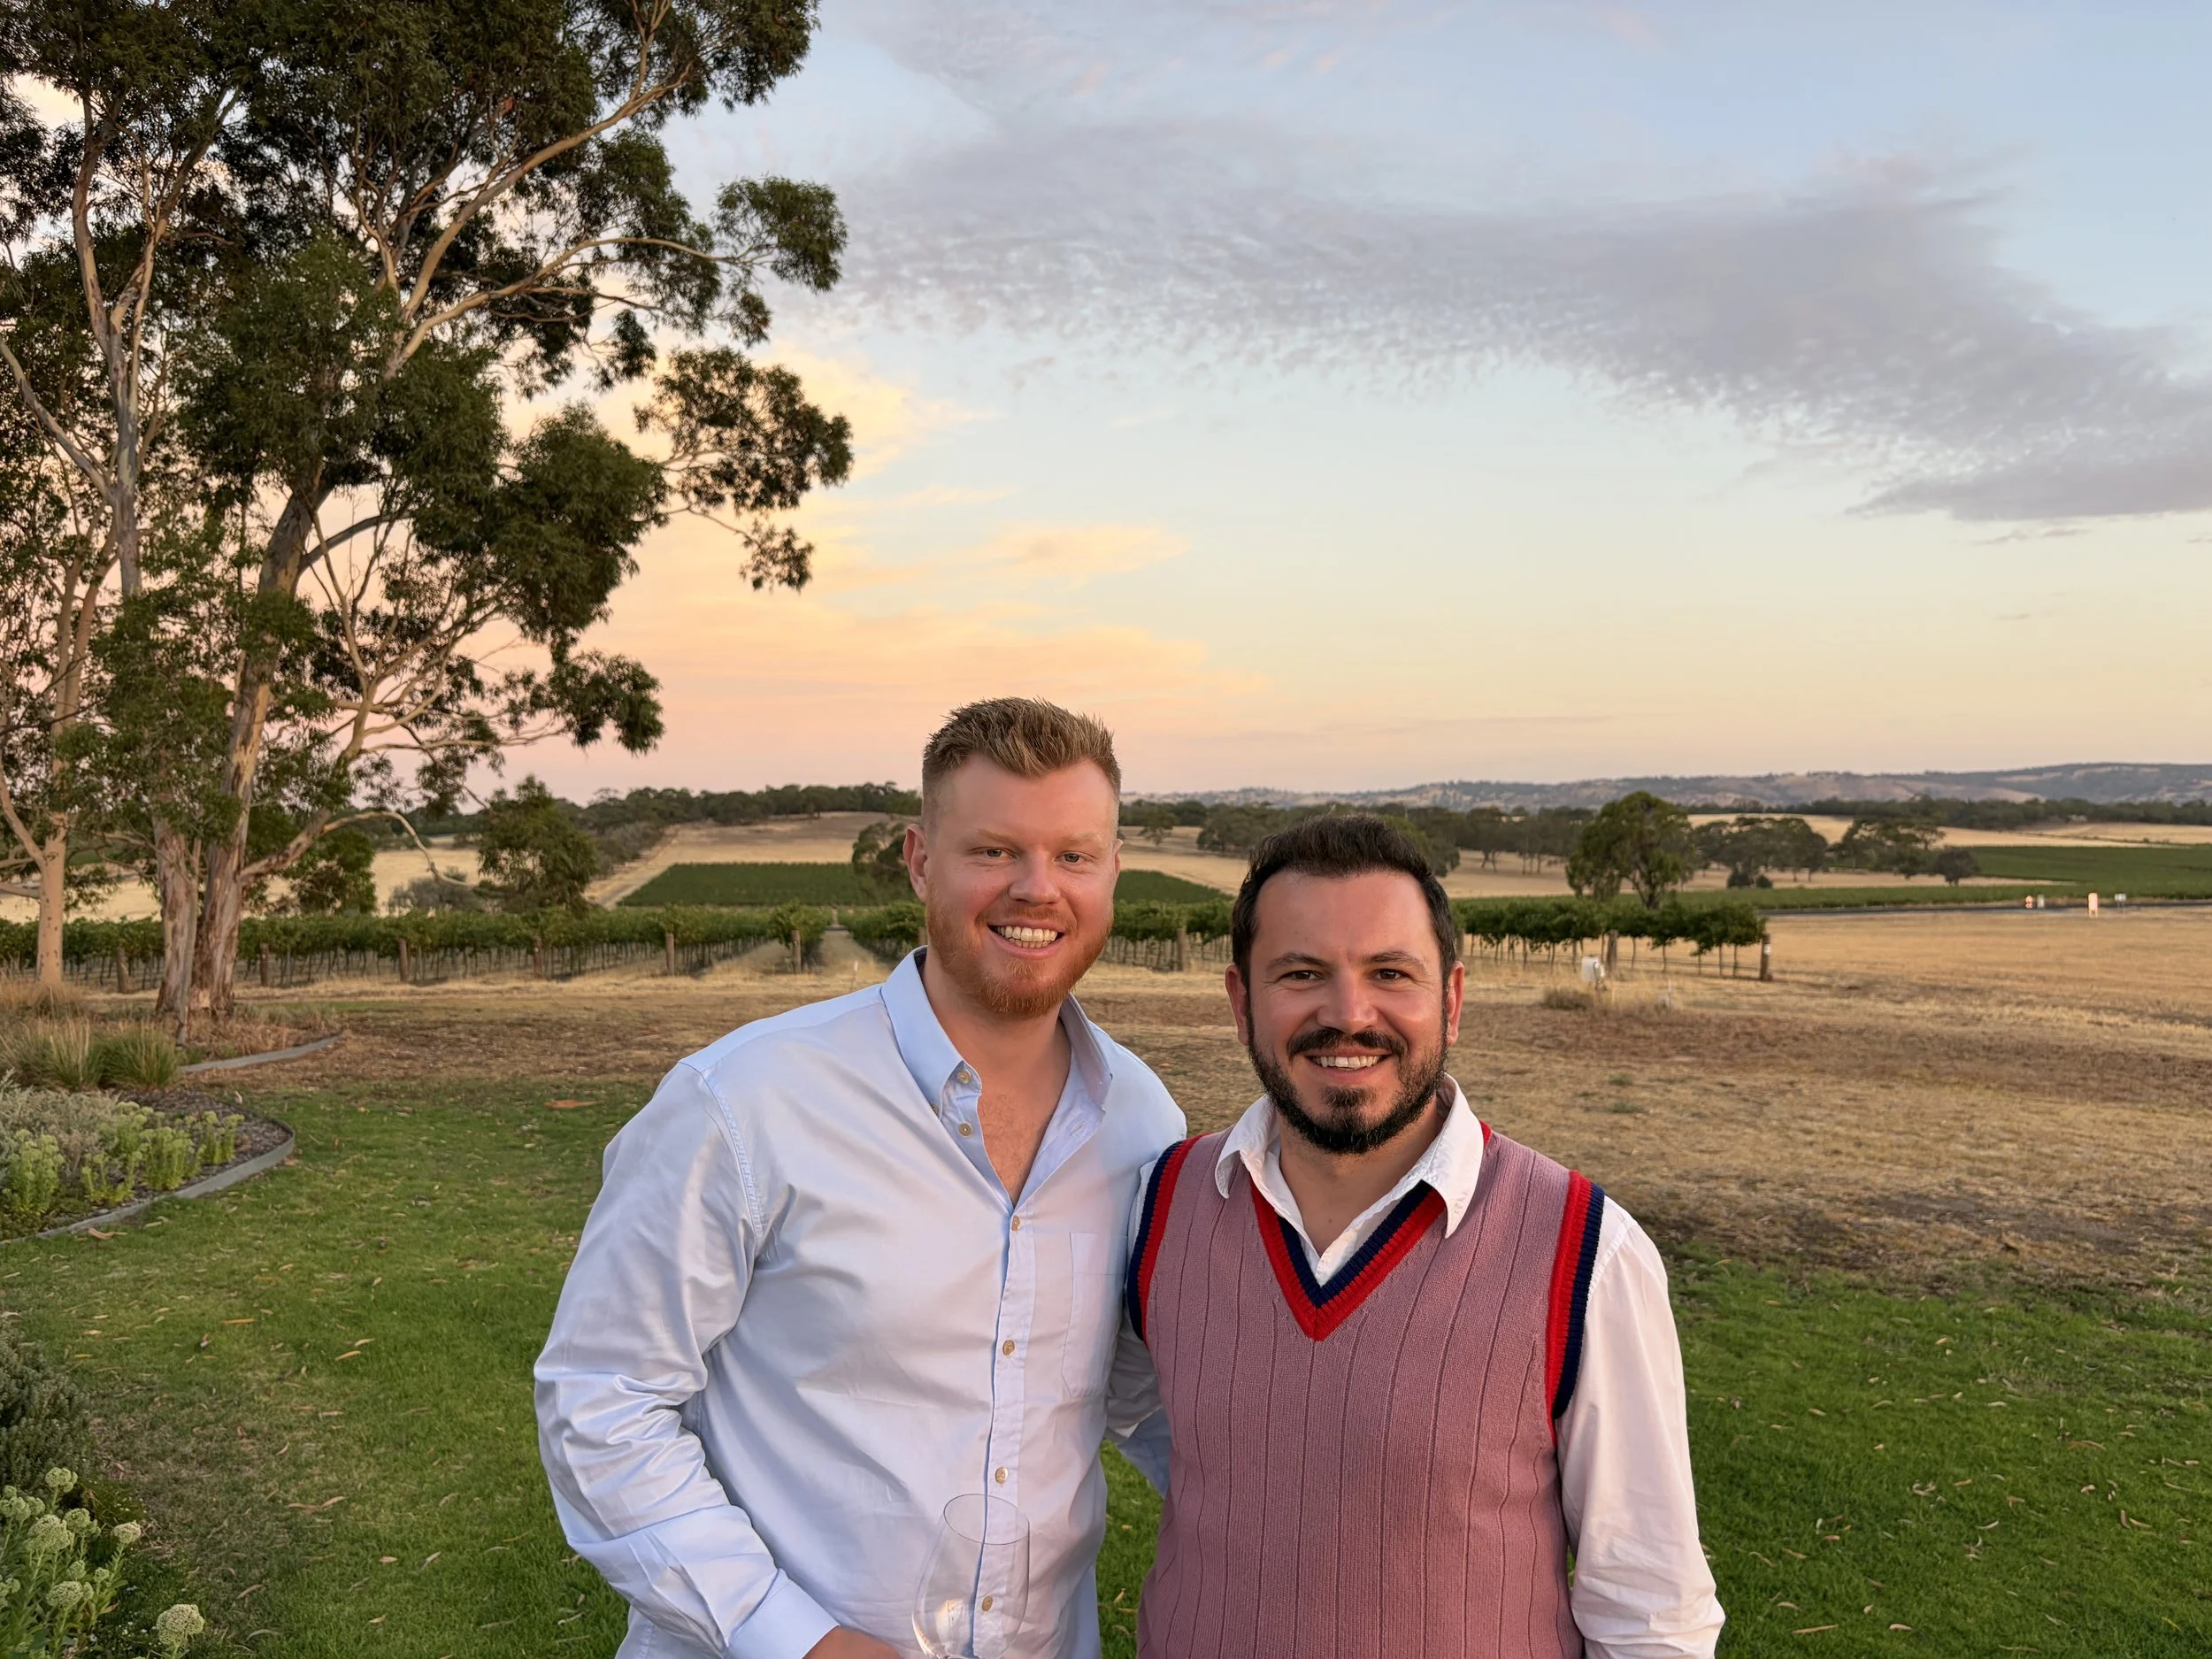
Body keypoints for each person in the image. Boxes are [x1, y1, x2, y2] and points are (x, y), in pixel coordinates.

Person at [537, 699, 1183, 1659]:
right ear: (920, 860)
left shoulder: (1141, 1123)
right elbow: (603, 1399)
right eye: (995, 850)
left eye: (1074, 856)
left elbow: (1139, 1389)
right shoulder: (745, 1102)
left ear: (1111, 870)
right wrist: (795, 1640)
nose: (1036, 888)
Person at [1125, 814, 1724, 1659]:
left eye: (1390, 973)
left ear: (1451, 1000)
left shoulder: (1587, 1253)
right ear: (1240, 1001)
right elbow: (1116, 1409)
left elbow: (1652, 1615)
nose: (1348, 1012)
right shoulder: (1163, 1205)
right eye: (1301, 972)